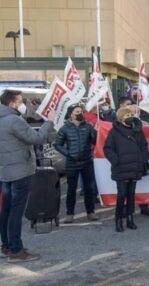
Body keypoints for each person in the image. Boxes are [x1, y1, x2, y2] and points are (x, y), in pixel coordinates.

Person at [0, 90, 55, 262]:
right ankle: (16, 251)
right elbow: (36, 138)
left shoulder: (4, 119)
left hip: (6, 171)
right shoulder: (13, 120)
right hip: (19, 172)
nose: (23, 104)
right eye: (20, 101)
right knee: (16, 212)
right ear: (12, 103)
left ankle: (7, 246)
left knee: (7, 210)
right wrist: (49, 122)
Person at [103, 107, 148, 232]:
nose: (130, 116)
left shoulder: (138, 130)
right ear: (120, 117)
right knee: (122, 195)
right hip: (121, 168)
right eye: (127, 114)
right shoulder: (114, 132)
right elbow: (108, 149)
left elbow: (143, 146)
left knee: (131, 195)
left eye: (131, 114)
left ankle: (130, 219)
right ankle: (118, 220)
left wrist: (143, 159)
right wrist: (115, 160)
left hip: (134, 167)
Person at [54, 105, 99, 224]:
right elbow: (57, 144)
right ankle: (70, 213)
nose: (80, 113)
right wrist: (68, 153)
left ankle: (91, 212)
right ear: (71, 114)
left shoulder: (88, 127)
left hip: (87, 161)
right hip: (72, 163)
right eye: (77, 111)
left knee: (89, 189)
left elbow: (95, 141)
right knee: (71, 189)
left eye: (81, 111)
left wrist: (96, 132)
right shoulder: (64, 129)